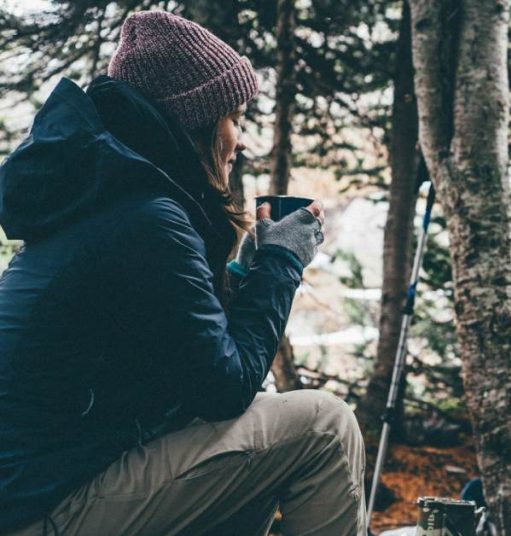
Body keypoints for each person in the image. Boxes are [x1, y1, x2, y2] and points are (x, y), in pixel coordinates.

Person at [0, 10, 366, 536]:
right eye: (234, 118)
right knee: (323, 426)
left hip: (35, 490)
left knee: (249, 436)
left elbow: (185, 372)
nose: (240, 140)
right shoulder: (148, 219)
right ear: (193, 120)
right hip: (44, 507)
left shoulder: (102, 203)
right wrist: (282, 263)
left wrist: (240, 279)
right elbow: (224, 388)